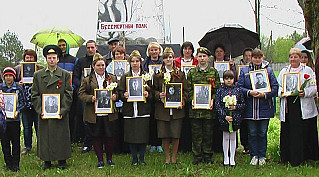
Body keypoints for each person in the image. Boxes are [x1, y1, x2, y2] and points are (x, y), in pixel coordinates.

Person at [31, 45, 73, 170]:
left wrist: (63, 110)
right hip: (45, 112)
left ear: (58, 59)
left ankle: (62, 160)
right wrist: (41, 110)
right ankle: (46, 160)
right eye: (49, 58)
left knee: (61, 135)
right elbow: (34, 94)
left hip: (59, 111)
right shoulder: (38, 75)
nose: (52, 60)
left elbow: (69, 93)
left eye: (54, 58)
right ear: (46, 59)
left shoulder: (65, 75)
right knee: (45, 136)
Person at [277, 48, 319, 166]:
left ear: (300, 58)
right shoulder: (284, 71)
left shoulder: (308, 70)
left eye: (296, 57)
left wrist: (305, 92)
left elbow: (314, 87)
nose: (293, 59)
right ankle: (288, 157)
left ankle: (304, 157)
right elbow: (278, 87)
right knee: (289, 132)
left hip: (302, 104)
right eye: (291, 57)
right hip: (288, 106)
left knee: (301, 132)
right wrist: (282, 92)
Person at [237, 48, 278, 166]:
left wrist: (265, 94)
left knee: (262, 132)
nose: (257, 59)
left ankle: (262, 155)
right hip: (250, 108)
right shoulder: (245, 71)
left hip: (264, 108)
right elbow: (239, 87)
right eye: (255, 57)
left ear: (262, 58)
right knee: (252, 133)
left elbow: (275, 88)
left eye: (259, 57)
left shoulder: (269, 71)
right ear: (251, 58)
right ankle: (254, 155)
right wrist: (249, 92)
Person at [78, 53, 118, 168]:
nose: (101, 67)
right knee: (97, 136)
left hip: (109, 112)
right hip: (94, 113)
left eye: (103, 65)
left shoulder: (112, 77)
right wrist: (91, 98)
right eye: (99, 65)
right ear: (94, 66)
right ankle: (100, 160)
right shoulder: (87, 80)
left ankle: (109, 159)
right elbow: (81, 94)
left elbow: (118, 92)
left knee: (110, 136)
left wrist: (115, 96)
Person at [153, 47, 188, 164]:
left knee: (175, 134)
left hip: (177, 110)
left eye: (170, 57)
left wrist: (182, 101)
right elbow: (153, 91)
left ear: (173, 58)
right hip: (162, 110)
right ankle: (167, 157)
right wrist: (159, 95)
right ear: (162, 60)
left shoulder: (180, 74)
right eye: (165, 57)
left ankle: (174, 157)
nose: (168, 59)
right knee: (165, 134)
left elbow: (186, 91)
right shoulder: (158, 75)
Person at [187, 47, 221, 165]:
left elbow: (217, 90)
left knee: (208, 133)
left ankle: (207, 155)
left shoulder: (213, 72)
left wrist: (212, 99)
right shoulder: (192, 72)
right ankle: (197, 155)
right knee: (196, 134)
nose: (202, 58)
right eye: (200, 56)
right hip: (195, 110)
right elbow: (189, 89)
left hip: (208, 110)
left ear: (208, 57)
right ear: (196, 57)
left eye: (204, 56)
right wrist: (192, 99)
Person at [118, 50, 152, 165]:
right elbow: (119, 92)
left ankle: (142, 158)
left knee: (143, 134)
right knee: (131, 135)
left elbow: (153, 92)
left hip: (143, 110)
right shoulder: (125, 77)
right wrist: (124, 95)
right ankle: (134, 158)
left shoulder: (146, 76)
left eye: (137, 61)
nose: (135, 63)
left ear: (140, 62)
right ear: (129, 63)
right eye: (132, 61)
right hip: (130, 110)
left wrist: (148, 94)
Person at [14, 49, 43, 155]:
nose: (29, 59)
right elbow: (12, 83)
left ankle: (41, 146)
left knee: (38, 126)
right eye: (27, 57)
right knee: (26, 127)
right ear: (24, 58)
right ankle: (27, 147)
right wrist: (19, 84)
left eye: (31, 57)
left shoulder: (40, 69)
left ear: (35, 58)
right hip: (24, 102)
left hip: (37, 102)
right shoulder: (19, 69)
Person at [210, 44, 237, 153]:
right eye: (217, 51)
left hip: (229, 92)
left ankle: (229, 148)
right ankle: (217, 146)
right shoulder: (211, 64)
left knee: (228, 119)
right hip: (217, 91)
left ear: (224, 53)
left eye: (221, 51)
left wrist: (232, 66)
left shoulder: (229, 63)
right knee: (218, 119)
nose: (219, 53)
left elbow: (234, 76)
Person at [215, 70, 245, 166]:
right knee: (226, 137)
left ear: (234, 79)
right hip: (224, 118)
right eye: (226, 79)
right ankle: (225, 157)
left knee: (233, 137)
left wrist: (235, 107)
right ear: (223, 80)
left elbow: (243, 104)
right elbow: (217, 105)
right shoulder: (220, 90)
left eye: (231, 78)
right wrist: (224, 116)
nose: (229, 81)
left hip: (235, 118)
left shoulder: (238, 90)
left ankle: (232, 157)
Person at [73, 40, 98, 153]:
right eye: (88, 48)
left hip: (98, 95)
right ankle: (87, 143)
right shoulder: (81, 61)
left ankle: (97, 142)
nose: (90, 50)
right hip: (86, 95)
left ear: (96, 48)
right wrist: (83, 86)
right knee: (86, 120)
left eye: (92, 47)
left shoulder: (100, 60)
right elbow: (76, 77)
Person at [0, 67, 26, 172]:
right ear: (4, 77)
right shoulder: (1, 88)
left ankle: (16, 164)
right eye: (6, 76)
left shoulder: (18, 88)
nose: (8, 78)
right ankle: (8, 163)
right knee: (5, 143)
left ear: (14, 77)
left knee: (15, 143)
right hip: (3, 121)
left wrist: (17, 111)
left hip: (14, 121)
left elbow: (23, 103)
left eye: (10, 76)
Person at [175, 41, 198, 153]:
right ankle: (181, 146)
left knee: (191, 121)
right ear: (182, 50)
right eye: (185, 49)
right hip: (181, 93)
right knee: (181, 121)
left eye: (189, 49)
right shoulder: (177, 62)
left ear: (192, 50)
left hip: (193, 92)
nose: (187, 51)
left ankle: (190, 145)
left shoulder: (196, 62)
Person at [142, 42, 163, 152]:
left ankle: (159, 143)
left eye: (156, 49)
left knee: (159, 119)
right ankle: (152, 143)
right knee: (151, 120)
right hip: (149, 94)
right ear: (149, 52)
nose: (154, 52)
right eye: (152, 50)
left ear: (159, 51)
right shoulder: (144, 64)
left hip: (160, 94)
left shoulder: (163, 63)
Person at [58, 39, 79, 144]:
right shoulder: (56, 60)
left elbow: (75, 75)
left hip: (71, 92)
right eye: (60, 45)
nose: (62, 47)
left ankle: (71, 138)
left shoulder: (74, 59)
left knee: (71, 115)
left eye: (64, 45)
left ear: (67, 46)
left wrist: (73, 87)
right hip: (58, 93)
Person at [239, 48, 253, 154]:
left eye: (250, 55)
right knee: (243, 123)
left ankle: (252, 145)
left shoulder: (257, 69)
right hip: (242, 98)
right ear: (243, 57)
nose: (248, 57)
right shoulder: (239, 67)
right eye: (246, 55)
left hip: (254, 99)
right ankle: (245, 145)